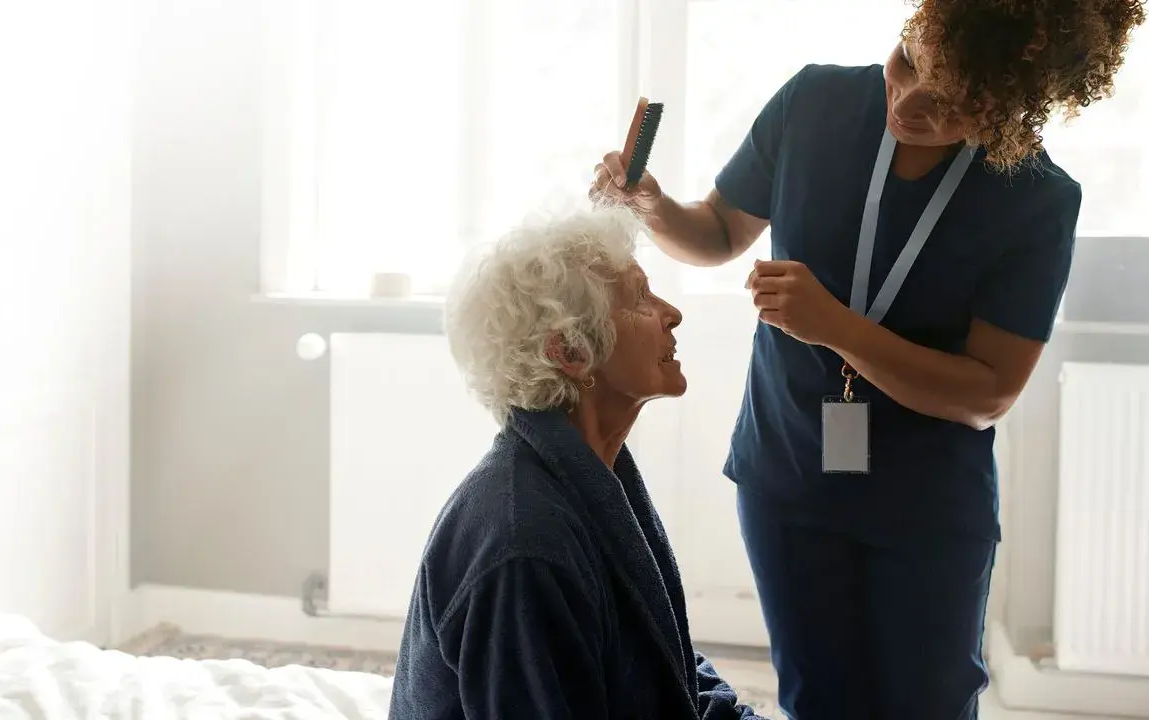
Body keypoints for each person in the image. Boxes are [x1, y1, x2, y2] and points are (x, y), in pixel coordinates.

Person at [589, 1, 1146, 718]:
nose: (908, 99)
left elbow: (987, 393)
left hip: (925, 508)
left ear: (1008, 104)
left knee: (927, 704)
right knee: (818, 701)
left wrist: (837, 328)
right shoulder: (812, 101)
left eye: (948, 98)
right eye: (908, 59)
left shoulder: (1038, 198)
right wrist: (654, 207)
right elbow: (722, 229)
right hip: (786, 478)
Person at [388, 207, 765, 720]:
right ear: (570, 350)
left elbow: (666, 667)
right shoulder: (525, 543)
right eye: (639, 298)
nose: (671, 313)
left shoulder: (593, 470)